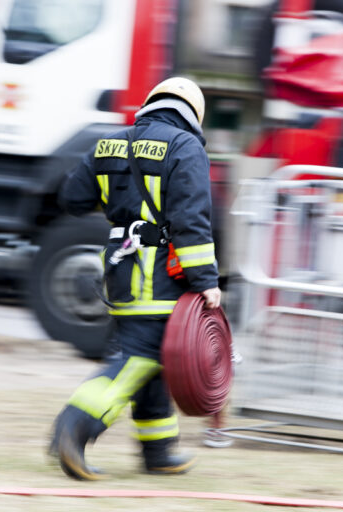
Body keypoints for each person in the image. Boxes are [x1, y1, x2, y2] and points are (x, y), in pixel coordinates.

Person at [49, 77, 221, 480]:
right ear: (193, 114)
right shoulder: (185, 146)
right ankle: (74, 427)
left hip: (120, 273)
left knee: (159, 361)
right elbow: (191, 221)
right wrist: (206, 281)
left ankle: (158, 452)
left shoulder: (108, 142)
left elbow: (72, 199)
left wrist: (121, 201)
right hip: (160, 278)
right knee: (141, 357)